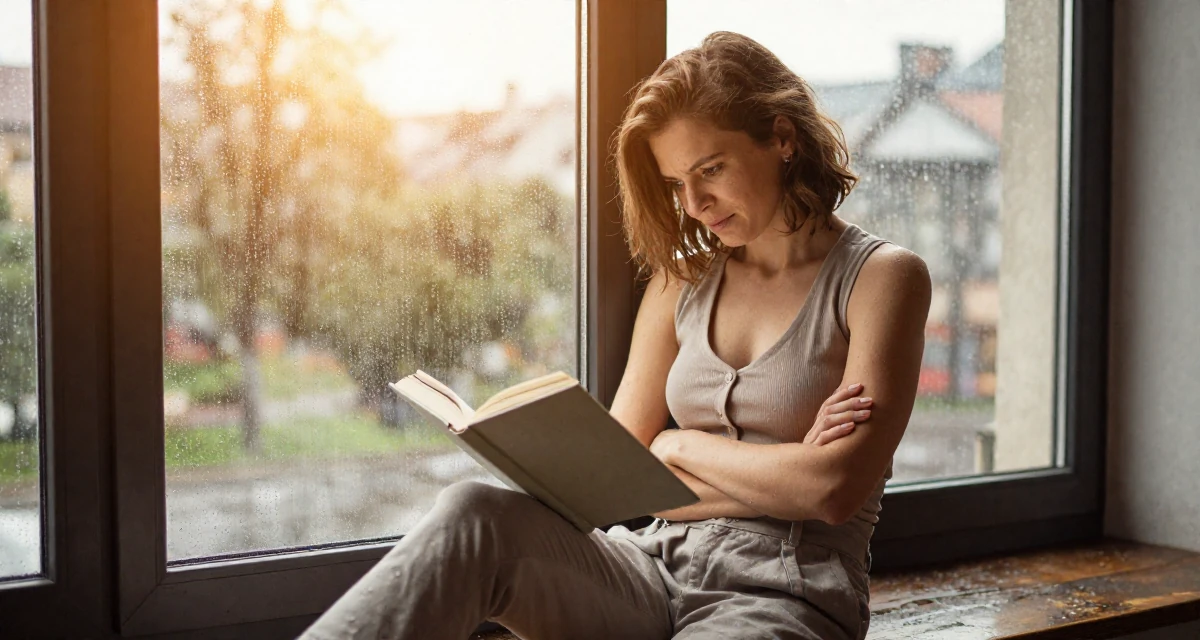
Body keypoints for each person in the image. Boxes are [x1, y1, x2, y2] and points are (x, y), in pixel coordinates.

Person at [301, 31, 930, 640]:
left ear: (782, 139)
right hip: (649, 565)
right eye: (676, 183)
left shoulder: (882, 279)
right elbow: (620, 481)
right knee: (474, 513)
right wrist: (780, 474)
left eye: (711, 168)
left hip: (785, 590)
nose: (695, 204)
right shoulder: (679, 281)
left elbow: (833, 491)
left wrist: (680, 449)